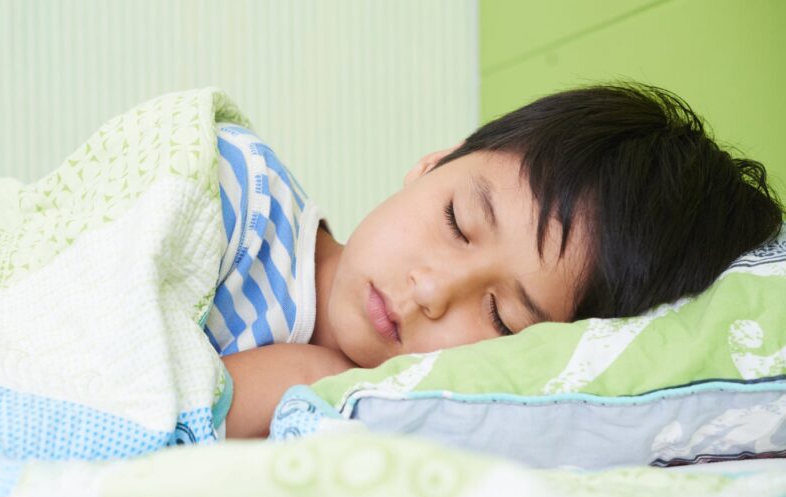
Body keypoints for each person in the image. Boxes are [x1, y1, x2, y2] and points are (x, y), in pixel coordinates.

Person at [211, 83, 784, 439]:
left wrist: (306, 381)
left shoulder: (373, 422)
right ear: (435, 164)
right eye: (457, 223)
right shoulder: (230, 193)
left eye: (501, 317)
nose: (431, 291)